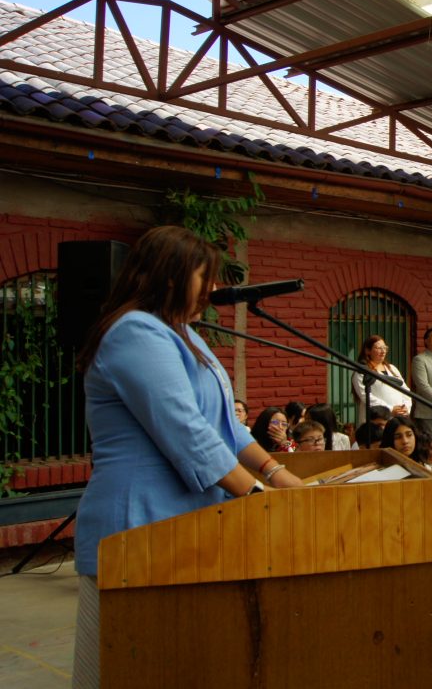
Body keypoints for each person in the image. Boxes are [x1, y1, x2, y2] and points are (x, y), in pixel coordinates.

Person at [71, 226, 304, 687]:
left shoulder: (186, 335)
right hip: (137, 526)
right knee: (127, 668)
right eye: (206, 277)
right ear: (171, 277)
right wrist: (257, 495)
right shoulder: (135, 331)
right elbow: (187, 431)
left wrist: (277, 473)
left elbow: (225, 426)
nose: (214, 290)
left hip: (186, 525)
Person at [351, 335, 410, 424]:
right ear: (368, 351)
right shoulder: (361, 372)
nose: (383, 351)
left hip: (399, 418)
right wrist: (390, 409)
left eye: (385, 348)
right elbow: (365, 396)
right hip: (377, 419)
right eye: (378, 348)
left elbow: (405, 390)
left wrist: (406, 408)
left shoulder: (392, 368)